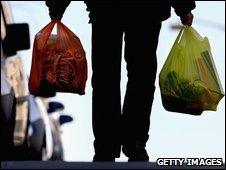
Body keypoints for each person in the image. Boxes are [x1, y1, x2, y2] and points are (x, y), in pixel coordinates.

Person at [45, 0, 195, 162]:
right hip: (146, 11)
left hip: (106, 10)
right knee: (141, 76)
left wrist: (57, 5)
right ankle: (134, 141)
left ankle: (106, 144)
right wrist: (184, 7)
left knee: (106, 77)